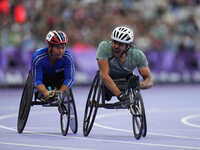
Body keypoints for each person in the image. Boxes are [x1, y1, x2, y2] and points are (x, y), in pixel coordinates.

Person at [96, 26, 153, 102]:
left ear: (128, 46)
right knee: (106, 95)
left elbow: (149, 80)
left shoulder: (137, 54)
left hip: (126, 81)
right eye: (114, 42)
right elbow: (104, 75)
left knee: (133, 80)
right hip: (108, 80)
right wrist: (120, 95)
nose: (116, 46)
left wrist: (139, 85)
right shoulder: (104, 47)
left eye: (120, 44)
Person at [31, 30, 75, 101]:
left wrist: (60, 92)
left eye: (63, 48)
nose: (60, 51)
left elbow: (70, 79)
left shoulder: (68, 57)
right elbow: (37, 80)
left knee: (64, 86)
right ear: (50, 47)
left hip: (59, 81)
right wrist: (45, 92)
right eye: (57, 48)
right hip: (44, 80)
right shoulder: (38, 58)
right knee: (41, 93)